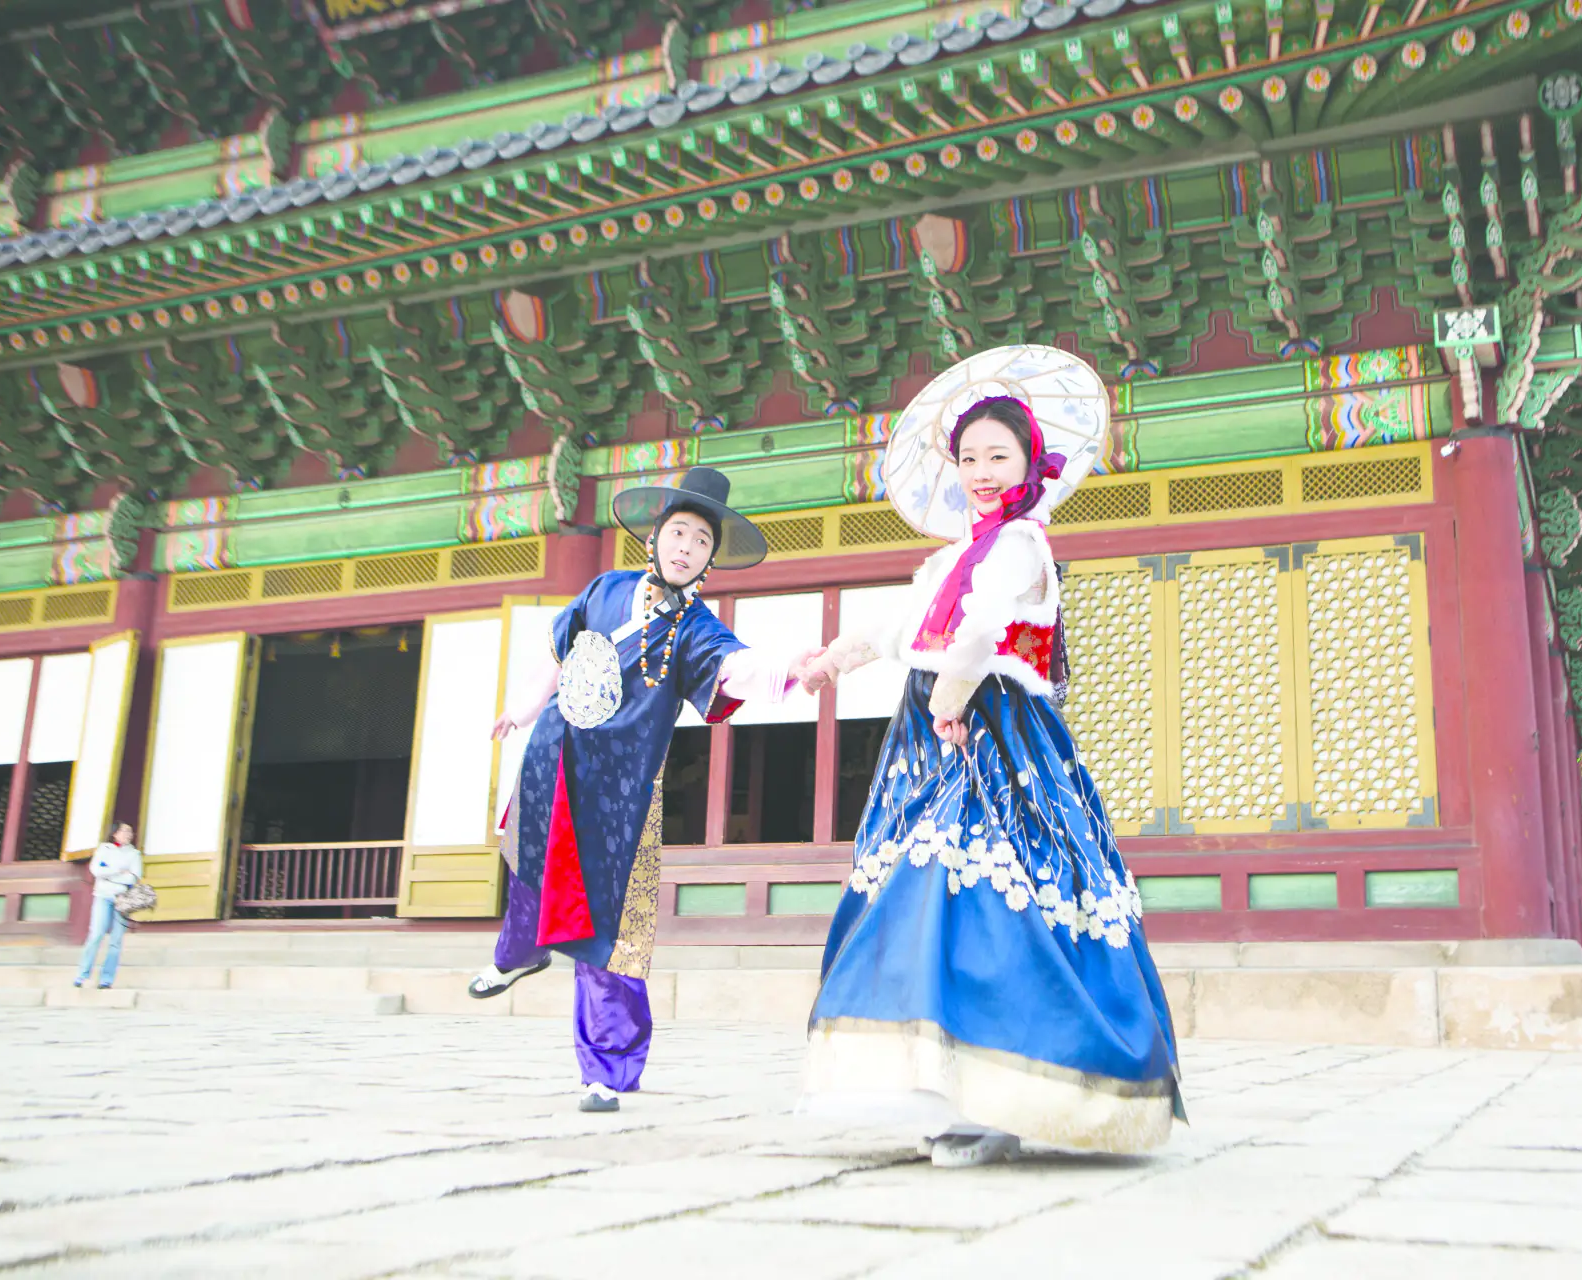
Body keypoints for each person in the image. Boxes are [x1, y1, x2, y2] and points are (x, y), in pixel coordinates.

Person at [796, 345, 1183, 1167]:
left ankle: (1007, 1093)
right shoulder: (949, 556)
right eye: (968, 457)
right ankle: (946, 1088)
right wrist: (833, 659)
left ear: (1028, 463)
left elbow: (980, 633)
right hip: (933, 734)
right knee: (919, 891)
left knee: (983, 890)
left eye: (997, 456)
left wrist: (950, 698)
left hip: (995, 730)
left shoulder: (1021, 545)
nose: (980, 471)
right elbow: (904, 628)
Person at [468, 466, 820, 1113]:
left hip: (621, 794)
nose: (687, 548)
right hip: (555, 754)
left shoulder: (696, 628)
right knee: (527, 867)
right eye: (678, 533)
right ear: (654, 538)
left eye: (702, 542)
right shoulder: (604, 588)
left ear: (710, 561)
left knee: (607, 930)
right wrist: (521, 710)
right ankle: (518, 955)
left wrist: (788, 671)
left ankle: (607, 1069)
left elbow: (735, 666)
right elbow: (557, 651)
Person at [75, 822, 142, 990]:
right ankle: (82, 974)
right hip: (102, 895)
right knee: (96, 934)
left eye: (130, 831)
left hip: (123, 898)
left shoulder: (134, 854)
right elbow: (96, 871)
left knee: (116, 940)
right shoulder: (104, 849)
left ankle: (106, 979)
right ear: (115, 833)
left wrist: (109, 872)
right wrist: (119, 872)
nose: (128, 834)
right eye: (124, 831)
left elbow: (133, 878)